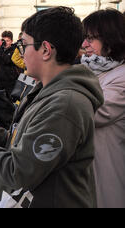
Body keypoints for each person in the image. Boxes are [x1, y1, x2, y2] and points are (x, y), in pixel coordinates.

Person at [0, 6, 104, 208]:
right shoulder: (47, 90)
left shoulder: (65, 105)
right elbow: (22, 141)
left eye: (24, 45)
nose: (21, 53)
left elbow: (17, 172)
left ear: (45, 50)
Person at [81, 9, 125, 208]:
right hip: (91, 170)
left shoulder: (121, 77)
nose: (84, 45)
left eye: (91, 39)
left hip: (108, 171)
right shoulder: (93, 71)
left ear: (110, 39)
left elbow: (94, 111)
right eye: (85, 38)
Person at [0, 31, 21, 98]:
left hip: (10, 81)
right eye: (4, 41)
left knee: (10, 101)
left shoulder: (14, 50)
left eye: (7, 41)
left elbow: (8, 60)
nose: (6, 43)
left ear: (11, 41)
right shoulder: (0, 50)